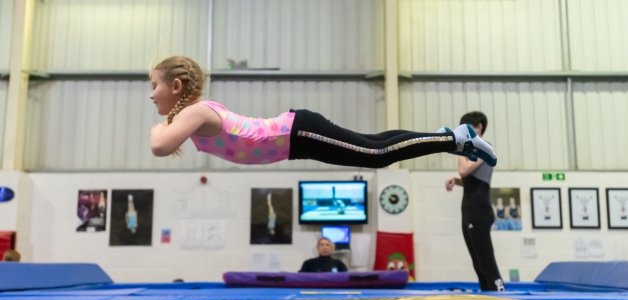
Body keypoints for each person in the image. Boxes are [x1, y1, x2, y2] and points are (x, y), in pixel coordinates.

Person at [149, 56, 497, 168]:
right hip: (296, 141)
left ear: (176, 87)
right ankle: (448, 138)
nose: (152, 96)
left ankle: (453, 138)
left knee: (375, 155)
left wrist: (155, 129)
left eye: (154, 86)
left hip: (298, 131)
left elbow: (160, 146)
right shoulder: (192, 115)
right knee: (374, 144)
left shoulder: (194, 112)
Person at [444, 111, 504, 292]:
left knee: (486, 262)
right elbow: (468, 176)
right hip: (470, 208)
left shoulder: (485, 147)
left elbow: (464, 170)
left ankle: (502, 299)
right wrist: (457, 181)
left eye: (468, 128)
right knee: (478, 264)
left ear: (479, 127)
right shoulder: (471, 151)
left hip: (479, 209)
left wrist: (459, 149)